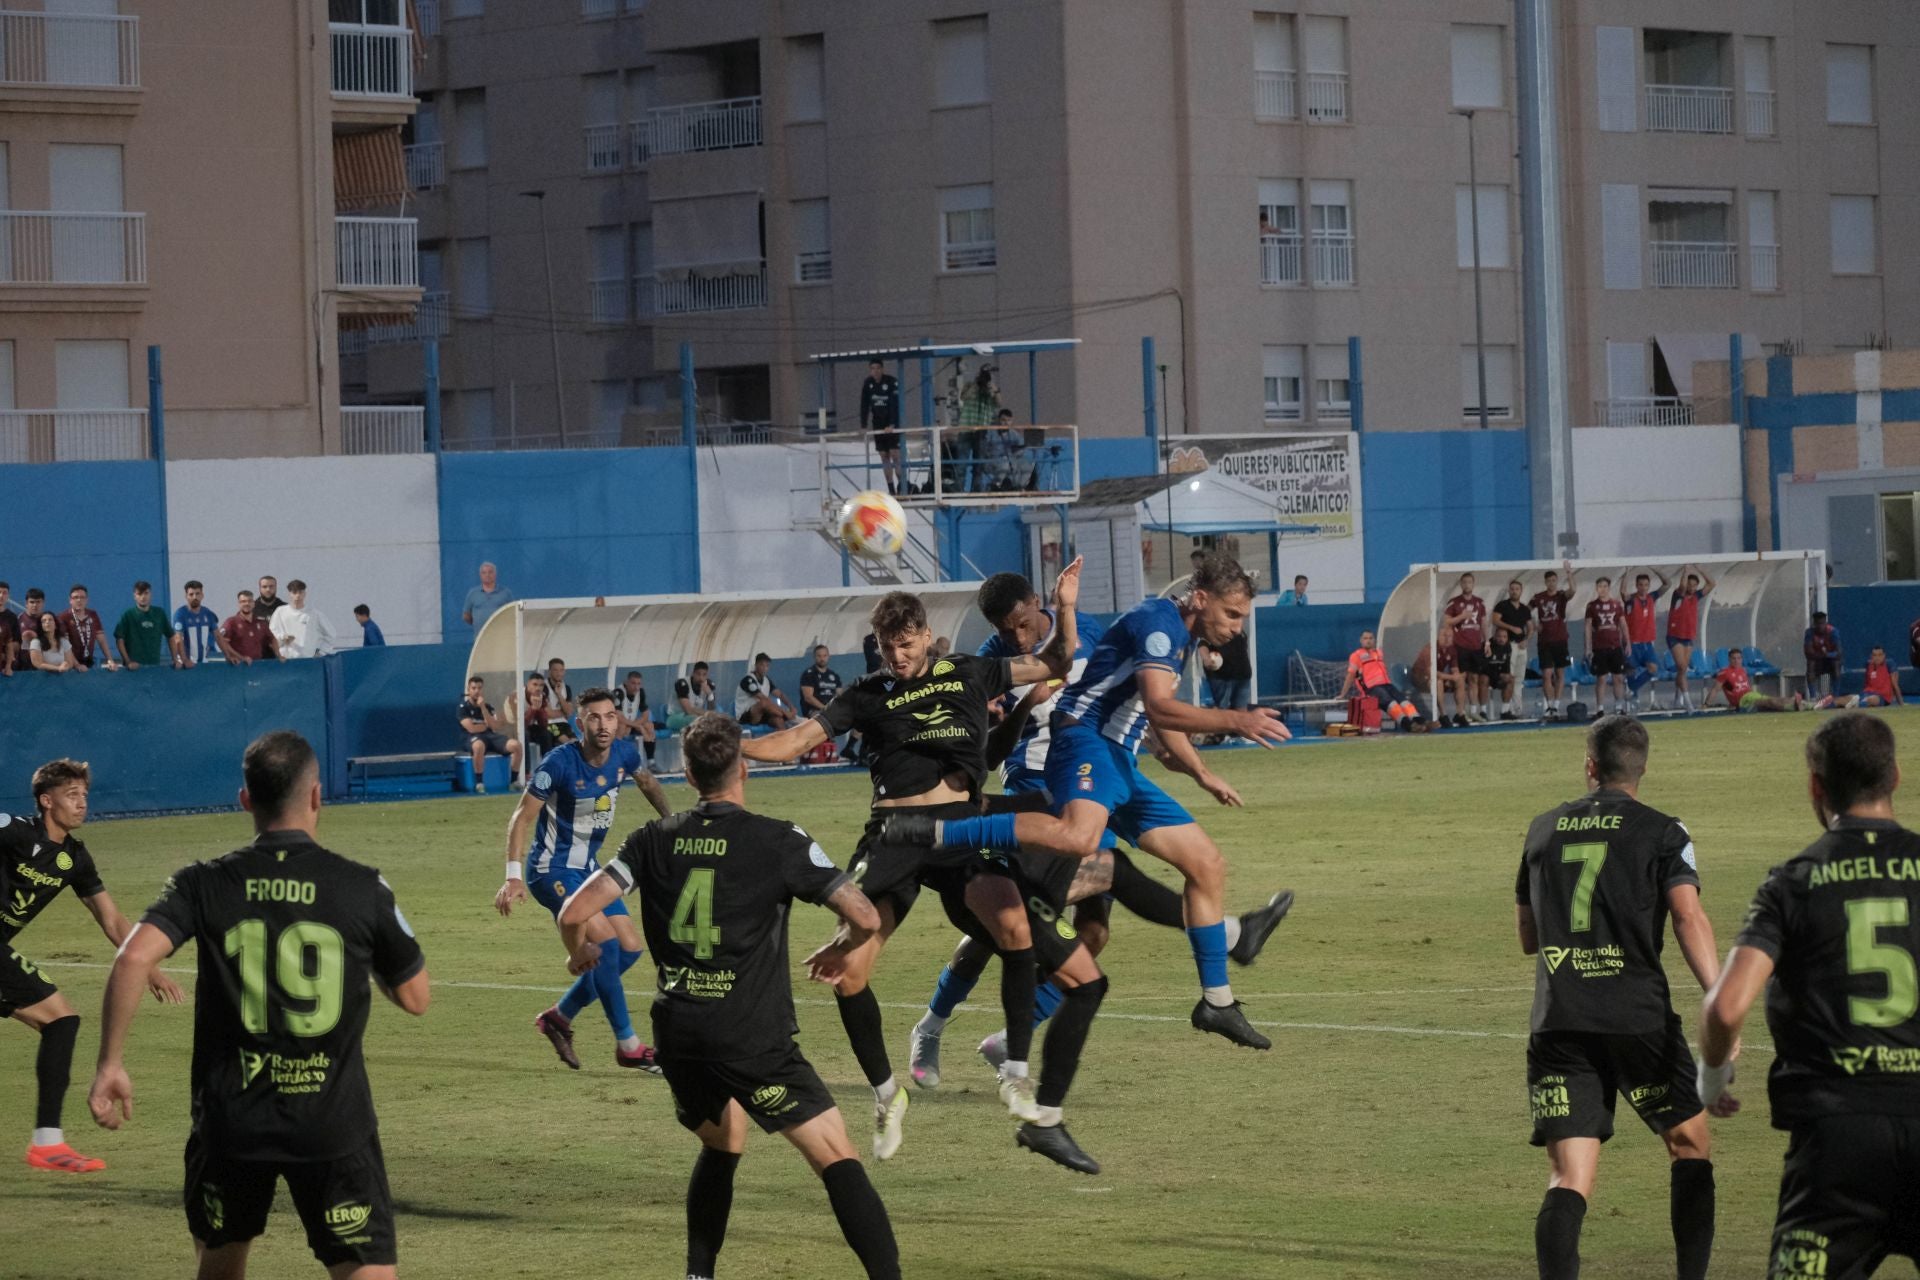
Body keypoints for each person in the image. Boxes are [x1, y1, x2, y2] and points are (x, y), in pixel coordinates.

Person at [906, 573, 1293, 1156]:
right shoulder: (994, 663)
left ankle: (1216, 993)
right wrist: (1019, 704)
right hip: (1047, 780)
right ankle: (931, 1026)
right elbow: (992, 747)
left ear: (1038, 606)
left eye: (1021, 624)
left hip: (1106, 770)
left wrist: (1201, 772)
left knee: (1103, 924)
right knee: (1013, 918)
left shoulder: (1093, 633)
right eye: (1004, 630)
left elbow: (1150, 711)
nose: (1014, 636)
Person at [737, 566, 1084, 1161]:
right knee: (848, 971)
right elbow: (793, 742)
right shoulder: (866, 695)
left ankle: (1017, 1073)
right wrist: (730, 741)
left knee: (1015, 926)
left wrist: (1064, 605)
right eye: (886, 647)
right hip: (895, 834)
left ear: (926, 636)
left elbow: (1056, 661)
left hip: (961, 827)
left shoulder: (972, 671)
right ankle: (886, 1095)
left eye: (905, 644)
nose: (896, 656)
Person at [557, 715, 902, 1277]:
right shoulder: (779, 839)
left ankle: (699, 1275)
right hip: (749, 1037)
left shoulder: (651, 840)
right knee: (836, 1155)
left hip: (680, 1037)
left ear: (689, 774)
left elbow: (575, 912)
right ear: (743, 766)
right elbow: (864, 915)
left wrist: (578, 953)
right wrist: (843, 947)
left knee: (723, 1142)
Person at [87, 731, 430, 1277]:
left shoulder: (201, 882)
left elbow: (131, 959)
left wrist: (110, 1065)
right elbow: (416, 998)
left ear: (245, 800)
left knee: (221, 1263)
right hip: (331, 1124)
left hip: (231, 1122)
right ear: (316, 796)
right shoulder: (362, 886)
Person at [1698, 713, 1920, 1280]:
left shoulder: (1793, 882)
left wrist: (1712, 1078)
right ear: (1895, 776)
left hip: (1836, 1145)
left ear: (1816, 786)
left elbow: (1725, 1008)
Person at [1516, 716, 1725, 1280]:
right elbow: (1687, 915)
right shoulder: (1663, 832)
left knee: (1568, 1177)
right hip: (1638, 1019)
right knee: (1689, 1144)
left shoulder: (1541, 829)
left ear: (1590, 766)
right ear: (1642, 768)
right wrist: (1719, 992)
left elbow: (1529, 938)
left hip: (1558, 1021)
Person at [3, 759, 185, 1173]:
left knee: (61, 1023)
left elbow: (112, 920)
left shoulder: (74, 859)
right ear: (46, 802)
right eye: (72, 795)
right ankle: (47, 1145)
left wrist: (149, 966)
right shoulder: (13, 830)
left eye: (85, 795)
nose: (82, 803)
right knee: (61, 1019)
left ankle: (47, 1145)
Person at [495, 687, 672, 1073]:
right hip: (550, 870)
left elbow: (648, 783)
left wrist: (672, 823)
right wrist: (512, 877)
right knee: (606, 947)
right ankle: (629, 1046)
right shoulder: (558, 763)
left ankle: (559, 1017)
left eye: (610, 716)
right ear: (580, 724)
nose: (604, 724)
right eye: (594, 717)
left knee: (628, 949)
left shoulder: (626, 753)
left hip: (589, 867)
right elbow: (521, 817)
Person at [1339, 629, 1423, 732]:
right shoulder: (1356, 656)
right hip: (1372, 688)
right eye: (1365, 638)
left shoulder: (1378, 653)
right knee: (1391, 703)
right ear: (1361, 640)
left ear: (1374, 640)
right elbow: (1350, 675)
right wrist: (1343, 694)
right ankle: (1408, 725)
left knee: (1404, 701)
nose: (1368, 641)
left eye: (1370, 638)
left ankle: (1420, 722)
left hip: (1387, 684)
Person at [458, 675, 524, 791]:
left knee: (516, 745)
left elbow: (494, 726)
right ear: (468, 690)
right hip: (471, 738)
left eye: (479, 688)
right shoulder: (463, 707)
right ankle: (479, 783)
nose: (477, 691)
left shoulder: (488, 707)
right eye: (474, 688)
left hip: (490, 736)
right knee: (478, 746)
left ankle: (513, 781)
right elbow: (471, 729)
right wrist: (485, 726)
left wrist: (483, 707)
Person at [1665, 566, 1715, 711]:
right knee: (1681, 667)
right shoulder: (1678, 595)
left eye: (1694, 585)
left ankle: (1677, 699)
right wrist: (1685, 571)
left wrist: (1700, 568)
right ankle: (1688, 702)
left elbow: (1712, 583)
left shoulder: (1696, 597)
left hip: (1688, 637)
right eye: (1689, 584)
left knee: (1682, 670)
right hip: (1675, 636)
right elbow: (1681, 587)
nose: (1692, 588)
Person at [1531, 562, 1577, 721]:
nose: (1551, 583)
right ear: (1545, 582)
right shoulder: (1538, 597)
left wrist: (1569, 573)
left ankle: (1556, 706)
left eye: (1553, 580)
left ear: (1557, 581)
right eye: (1549, 580)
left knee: (1560, 673)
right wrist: (1533, 624)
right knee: (1546, 674)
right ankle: (1549, 705)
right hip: (1544, 642)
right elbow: (1525, 611)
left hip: (1560, 640)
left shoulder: (1561, 596)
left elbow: (1573, 591)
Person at [1623, 569, 1671, 713]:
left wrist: (1656, 570)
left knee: (1653, 668)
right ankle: (1633, 697)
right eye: (1640, 585)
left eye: (1646, 585)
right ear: (1636, 586)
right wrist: (1626, 573)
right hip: (1632, 643)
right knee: (1630, 671)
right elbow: (1623, 593)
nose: (1643, 587)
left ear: (1648, 586)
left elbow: (1667, 584)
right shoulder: (1631, 599)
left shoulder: (1651, 597)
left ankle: (1632, 690)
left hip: (1647, 642)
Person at [1444, 573, 1491, 722]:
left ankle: (1474, 711)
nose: (1467, 585)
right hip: (1460, 646)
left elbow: (1483, 623)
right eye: (1464, 582)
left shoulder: (1479, 603)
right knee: (1460, 679)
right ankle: (1461, 712)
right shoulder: (1454, 603)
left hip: (1476, 646)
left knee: (1474, 678)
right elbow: (1447, 622)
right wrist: (1462, 616)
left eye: (1469, 582)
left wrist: (1487, 642)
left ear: (1473, 584)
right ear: (1460, 584)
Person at [1703, 647, 1803, 713]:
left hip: (1750, 694)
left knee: (1773, 699)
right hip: (1743, 700)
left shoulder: (1742, 670)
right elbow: (1715, 689)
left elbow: (1735, 688)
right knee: (1770, 702)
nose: (1737, 661)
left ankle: (1795, 701)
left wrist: (1732, 700)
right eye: (1734, 658)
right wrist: (1706, 704)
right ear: (1729, 659)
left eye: (1739, 658)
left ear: (1742, 659)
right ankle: (1793, 705)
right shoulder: (1725, 672)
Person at [111, 579, 183, 671]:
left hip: (154, 667)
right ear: (134, 596)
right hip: (133, 670)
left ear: (151, 594)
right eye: (139, 594)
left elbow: (171, 636)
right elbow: (119, 639)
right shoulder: (128, 615)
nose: (143, 597)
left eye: (146, 593)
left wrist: (175, 659)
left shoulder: (159, 613)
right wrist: (128, 661)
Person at [799, 644, 856, 758]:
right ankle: (821, 753)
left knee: (858, 718)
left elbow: (840, 695)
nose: (822, 658)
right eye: (819, 656)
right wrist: (825, 708)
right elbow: (808, 697)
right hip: (814, 710)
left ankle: (849, 749)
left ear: (828, 656)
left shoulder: (833, 676)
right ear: (815, 657)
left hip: (831, 709)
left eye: (824, 655)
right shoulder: (809, 674)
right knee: (822, 717)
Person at [503, 673, 575, 763]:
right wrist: (533, 709)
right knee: (524, 734)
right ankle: (526, 772)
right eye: (535, 684)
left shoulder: (542, 696)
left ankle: (547, 765)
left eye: (541, 685)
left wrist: (539, 710)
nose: (538, 688)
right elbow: (520, 725)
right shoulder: (516, 697)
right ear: (528, 684)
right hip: (513, 728)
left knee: (549, 732)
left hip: (556, 725)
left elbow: (543, 723)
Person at [1584, 577, 1629, 717]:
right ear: (1596, 588)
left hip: (1615, 646)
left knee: (1618, 678)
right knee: (1601, 678)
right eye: (1600, 586)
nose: (1602, 589)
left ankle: (1619, 706)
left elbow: (1623, 624)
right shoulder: (1592, 606)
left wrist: (1628, 643)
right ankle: (1600, 709)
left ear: (1609, 588)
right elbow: (1587, 627)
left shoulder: (1616, 604)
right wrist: (1588, 648)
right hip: (1600, 647)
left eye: (1605, 586)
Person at [859, 358, 903, 497]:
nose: (875, 371)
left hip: (891, 423)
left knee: (895, 454)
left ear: (882, 369)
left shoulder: (891, 382)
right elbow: (864, 404)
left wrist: (892, 423)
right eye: (873, 368)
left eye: (878, 368)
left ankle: (902, 486)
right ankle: (891, 489)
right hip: (877, 423)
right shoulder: (868, 383)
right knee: (884, 456)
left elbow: (895, 405)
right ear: (870, 370)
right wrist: (863, 425)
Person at [952, 363, 999, 494]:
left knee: (979, 464)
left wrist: (992, 388)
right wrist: (976, 384)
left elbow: (999, 403)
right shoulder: (969, 385)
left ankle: (976, 490)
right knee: (961, 463)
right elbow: (963, 397)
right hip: (966, 428)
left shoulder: (992, 389)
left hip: (982, 429)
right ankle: (959, 490)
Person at [1490, 579, 1532, 720]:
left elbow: (1531, 627)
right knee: (1511, 676)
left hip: (1521, 645)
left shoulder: (1524, 609)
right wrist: (1511, 627)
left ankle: (1517, 709)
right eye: (1512, 589)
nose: (1514, 591)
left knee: (1520, 679)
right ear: (1509, 590)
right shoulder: (1502, 606)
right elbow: (1495, 620)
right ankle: (1507, 709)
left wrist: (1527, 639)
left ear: (1521, 591)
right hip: (1510, 645)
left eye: (1517, 589)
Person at [1414, 624, 1470, 727]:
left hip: (1437, 676)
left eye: (1450, 636)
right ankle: (1443, 714)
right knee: (1438, 682)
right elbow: (1431, 672)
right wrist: (1450, 677)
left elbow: (1454, 669)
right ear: (1438, 636)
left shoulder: (1452, 650)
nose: (1447, 639)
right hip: (1421, 679)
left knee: (1460, 681)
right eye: (1444, 636)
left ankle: (1460, 713)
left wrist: (1456, 677)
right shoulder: (1429, 649)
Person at [267, 579, 335, 660]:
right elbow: (271, 633)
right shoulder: (280, 612)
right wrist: (282, 638)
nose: (298, 596)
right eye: (294, 592)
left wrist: (320, 653)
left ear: (305, 594)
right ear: (289, 594)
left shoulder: (314, 614)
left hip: (307, 660)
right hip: (285, 660)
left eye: (300, 592)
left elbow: (331, 635)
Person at [57, 584, 118, 671]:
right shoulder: (63, 617)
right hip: (70, 665)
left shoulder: (92, 614)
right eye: (75, 597)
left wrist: (110, 660)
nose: (79, 600)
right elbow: (65, 646)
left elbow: (101, 640)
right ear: (70, 600)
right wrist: (77, 665)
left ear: (87, 600)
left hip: (88, 662)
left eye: (82, 597)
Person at [735, 652, 798, 729]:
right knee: (763, 703)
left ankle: (784, 738)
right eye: (762, 665)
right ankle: (790, 717)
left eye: (767, 666)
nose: (765, 668)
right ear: (756, 665)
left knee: (778, 720)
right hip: (747, 715)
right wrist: (785, 712)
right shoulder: (748, 680)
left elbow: (780, 694)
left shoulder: (766, 680)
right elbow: (763, 699)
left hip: (763, 713)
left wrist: (791, 707)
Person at [218, 590, 281, 666]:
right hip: (237, 666)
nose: (246, 604)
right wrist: (240, 657)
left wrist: (278, 654)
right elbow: (222, 641)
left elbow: (272, 639)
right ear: (239, 604)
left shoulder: (261, 623)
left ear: (253, 603)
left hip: (257, 666)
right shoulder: (231, 622)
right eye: (243, 601)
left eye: (249, 601)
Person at [1199, 628, 1253, 713]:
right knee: (1222, 710)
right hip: (1221, 677)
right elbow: (1203, 644)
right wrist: (1206, 658)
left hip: (1243, 674)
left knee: (1241, 710)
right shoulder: (1213, 628)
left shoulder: (1238, 630)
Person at [614, 670, 658, 768]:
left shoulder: (640, 692)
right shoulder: (619, 692)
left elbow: (646, 715)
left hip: (630, 723)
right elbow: (618, 717)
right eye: (633, 683)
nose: (636, 687)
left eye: (638, 684)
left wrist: (633, 724)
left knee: (649, 726)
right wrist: (636, 725)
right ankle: (616, 760)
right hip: (617, 724)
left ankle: (651, 761)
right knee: (621, 727)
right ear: (626, 682)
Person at [174, 581, 220, 667]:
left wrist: (229, 655)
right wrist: (185, 660)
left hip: (203, 663)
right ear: (186, 596)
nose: (195, 597)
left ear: (202, 595)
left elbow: (218, 636)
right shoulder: (180, 614)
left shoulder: (207, 613)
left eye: (197, 593)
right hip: (187, 665)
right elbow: (178, 639)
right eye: (191, 594)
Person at [1803, 610, 1844, 703]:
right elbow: (1808, 652)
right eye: (1817, 623)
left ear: (1826, 623)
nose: (1820, 626)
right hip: (1818, 661)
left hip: (1829, 662)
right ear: (1814, 624)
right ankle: (1813, 697)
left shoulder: (1833, 632)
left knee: (1837, 664)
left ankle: (1835, 696)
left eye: (1822, 623)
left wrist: (1828, 655)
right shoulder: (1809, 633)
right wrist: (1822, 655)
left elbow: (1839, 653)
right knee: (1810, 664)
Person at [462, 561, 512, 631]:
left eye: (490, 572)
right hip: (480, 638)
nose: (487, 575)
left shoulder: (506, 593)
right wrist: (478, 622)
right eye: (484, 573)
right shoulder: (473, 593)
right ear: (480, 575)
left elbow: (512, 614)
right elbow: (466, 616)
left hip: (501, 637)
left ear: (495, 574)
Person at [670, 662, 719, 732]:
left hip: (696, 716)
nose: (701, 678)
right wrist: (708, 714)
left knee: (716, 720)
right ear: (693, 673)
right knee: (697, 720)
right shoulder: (682, 684)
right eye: (698, 674)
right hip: (675, 717)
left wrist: (710, 694)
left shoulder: (708, 685)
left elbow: (712, 710)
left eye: (704, 675)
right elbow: (688, 710)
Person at [12, 587, 49, 673]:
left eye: (38, 602)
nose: (35, 605)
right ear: (26, 603)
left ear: (43, 603)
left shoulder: (50, 620)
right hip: (20, 667)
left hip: (43, 666)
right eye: (32, 602)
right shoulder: (17, 619)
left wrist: (36, 639)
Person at [0, 581, 17, 677]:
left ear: (8, 596)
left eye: (4, 593)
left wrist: (8, 665)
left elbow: (10, 645)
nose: (1, 596)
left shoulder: (9, 620)